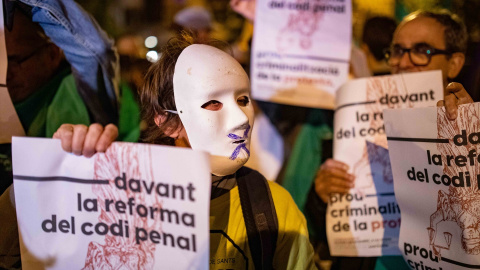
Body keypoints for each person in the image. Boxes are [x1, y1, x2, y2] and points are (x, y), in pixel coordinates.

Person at [51, 34, 316, 269]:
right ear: (167, 123)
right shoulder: (120, 197)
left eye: (243, 100)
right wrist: (64, 175)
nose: (241, 118)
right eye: (212, 102)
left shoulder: (274, 207)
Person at [307, 9, 474, 270]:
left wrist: (471, 148)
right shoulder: (357, 119)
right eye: (397, 51)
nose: (403, 62)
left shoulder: (472, 131)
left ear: (454, 63)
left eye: (422, 50)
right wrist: (322, 196)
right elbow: (320, 232)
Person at [0, 0, 118, 267]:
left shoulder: (73, 95)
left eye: (16, 60)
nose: (7, 73)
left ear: (53, 55)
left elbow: (94, 49)